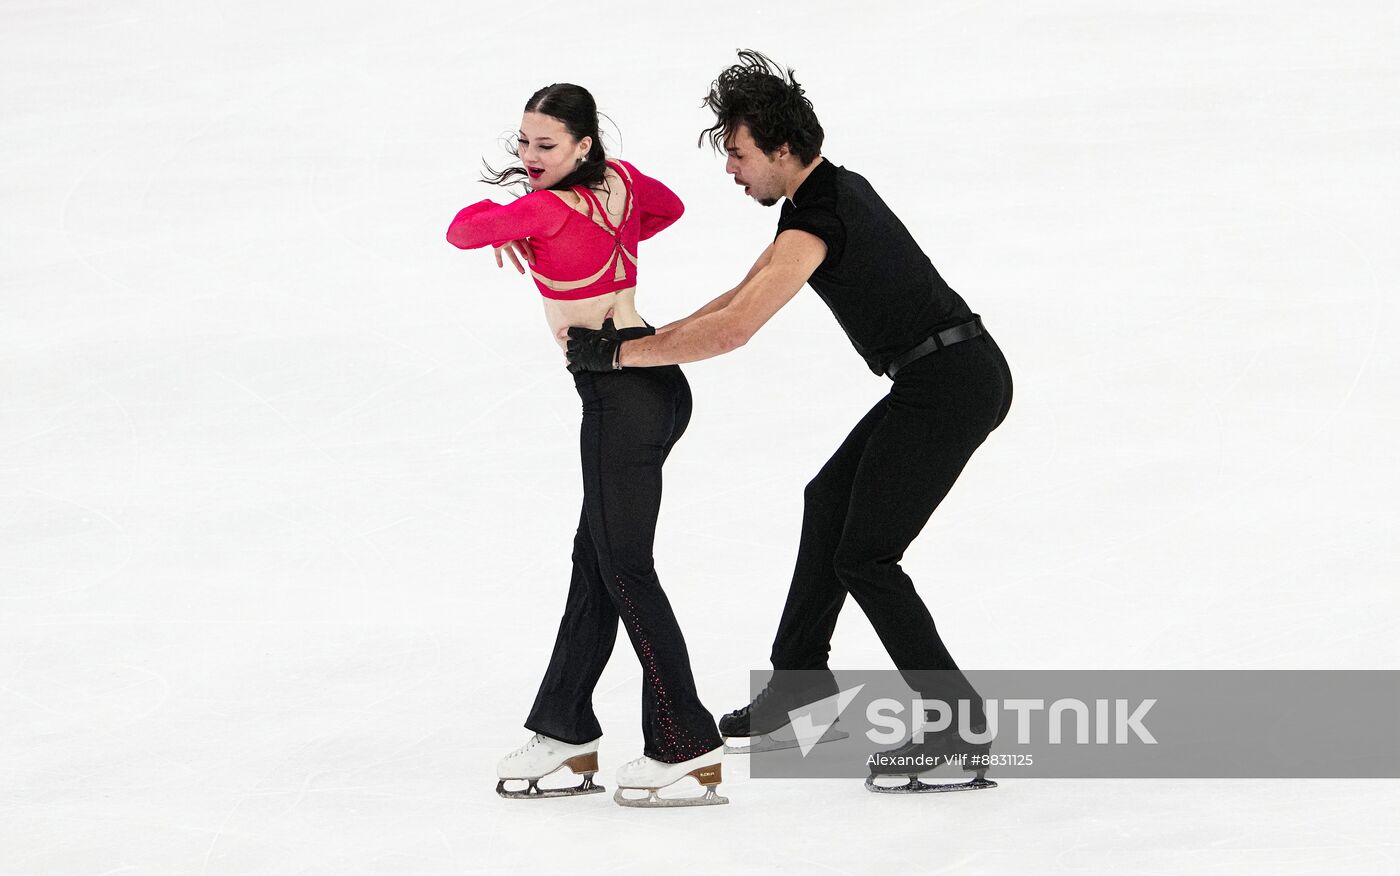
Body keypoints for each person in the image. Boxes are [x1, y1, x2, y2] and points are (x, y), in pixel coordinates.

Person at [565, 52, 1013, 793]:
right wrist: (631, 344)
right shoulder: (817, 201)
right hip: (940, 377)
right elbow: (737, 297)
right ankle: (799, 691)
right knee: (827, 503)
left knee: (867, 556)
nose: (733, 170)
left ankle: (958, 731)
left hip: (953, 384)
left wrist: (621, 359)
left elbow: (739, 327)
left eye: (739, 155)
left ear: (780, 149)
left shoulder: (820, 219)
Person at [446, 83, 726, 808]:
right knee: (595, 562)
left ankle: (685, 744)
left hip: (618, 395)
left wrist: (508, 222)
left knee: (625, 569)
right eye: (524, 143)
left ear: (582, 145)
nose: (529, 157)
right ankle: (566, 729)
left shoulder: (539, 209)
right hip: (652, 379)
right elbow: (669, 208)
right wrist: (612, 239)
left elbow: (462, 230)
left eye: (546, 145)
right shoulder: (622, 184)